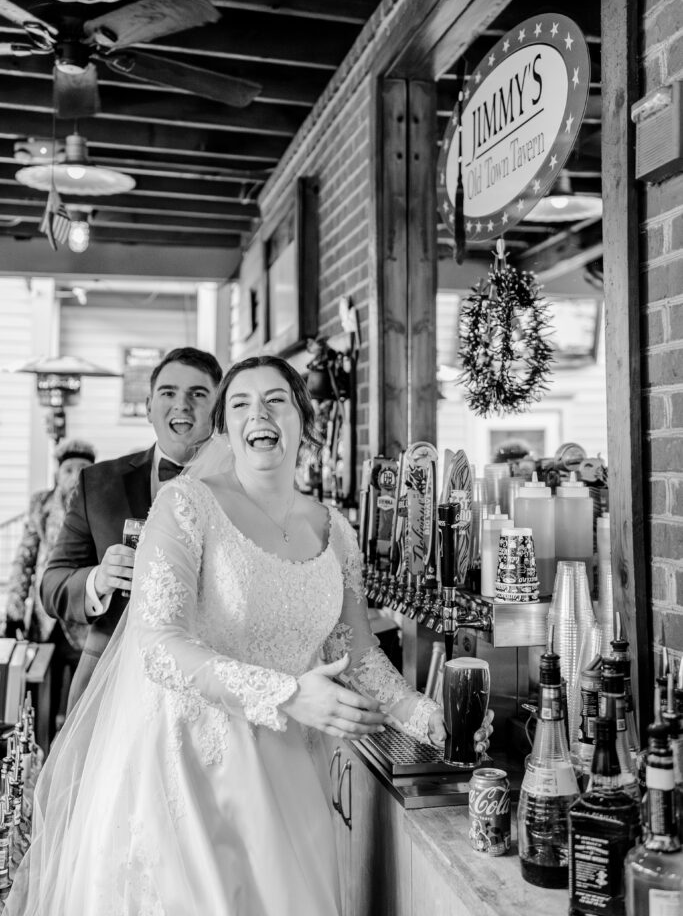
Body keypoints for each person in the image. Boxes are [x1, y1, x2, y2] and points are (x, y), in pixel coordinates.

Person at [6, 355, 491, 916]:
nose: (258, 413)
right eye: (240, 403)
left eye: (275, 400)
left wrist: (425, 716)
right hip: (194, 770)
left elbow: (360, 657)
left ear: (304, 422)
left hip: (292, 770)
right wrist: (287, 694)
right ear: (226, 429)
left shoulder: (335, 530)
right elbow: (158, 646)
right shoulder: (185, 507)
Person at [40, 346, 222, 709]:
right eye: (168, 392)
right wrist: (99, 580)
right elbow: (52, 586)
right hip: (109, 681)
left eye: (198, 394)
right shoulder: (98, 483)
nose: (181, 405)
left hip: (211, 686)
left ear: (219, 410)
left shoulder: (244, 486)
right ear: (148, 407)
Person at [4, 438, 96, 738]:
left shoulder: (97, 503)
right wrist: (14, 611)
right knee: (40, 692)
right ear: (57, 473)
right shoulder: (42, 505)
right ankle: (39, 755)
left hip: (82, 618)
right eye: (68, 469)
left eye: (82, 469)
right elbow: (24, 559)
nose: (74, 476)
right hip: (45, 619)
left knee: (82, 695)